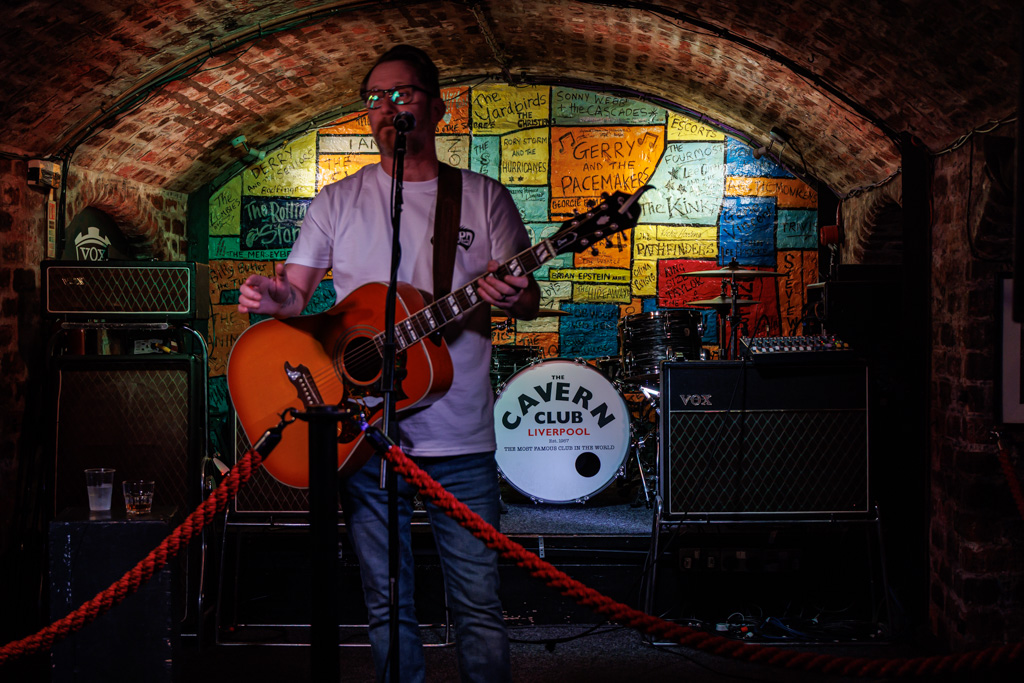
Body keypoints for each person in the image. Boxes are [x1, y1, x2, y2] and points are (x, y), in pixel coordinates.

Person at [237, 44, 540, 683]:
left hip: (459, 439)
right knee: (386, 603)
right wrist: (275, 298)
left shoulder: (483, 198)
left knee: (479, 604)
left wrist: (515, 292)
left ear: (437, 107)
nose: (386, 109)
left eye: (401, 95)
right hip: (365, 436)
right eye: (374, 98)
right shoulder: (336, 201)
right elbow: (296, 293)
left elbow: (527, 294)